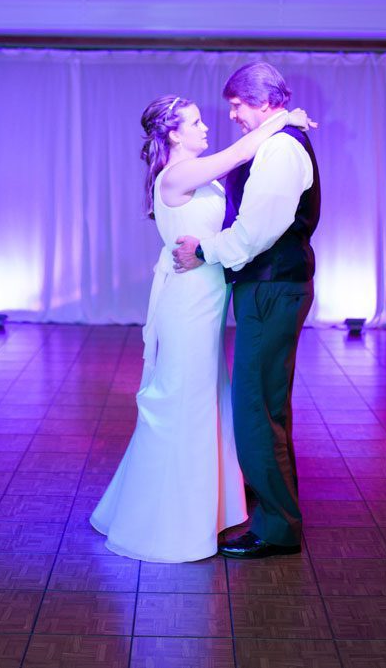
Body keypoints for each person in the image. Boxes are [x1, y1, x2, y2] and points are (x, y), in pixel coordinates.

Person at [90, 92, 313, 563]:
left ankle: (206, 510)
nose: (206, 127)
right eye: (194, 123)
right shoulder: (177, 175)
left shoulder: (196, 173)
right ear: (173, 134)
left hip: (207, 299)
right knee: (185, 402)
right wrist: (283, 119)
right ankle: (170, 524)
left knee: (206, 399)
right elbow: (240, 152)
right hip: (188, 303)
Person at [173, 62, 321, 559]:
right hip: (273, 286)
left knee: (256, 407)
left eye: (237, 105)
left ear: (264, 101)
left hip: (272, 286)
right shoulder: (276, 139)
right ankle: (276, 512)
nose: (232, 114)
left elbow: (255, 232)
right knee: (266, 404)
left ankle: (277, 528)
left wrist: (204, 251)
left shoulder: (280, 149)